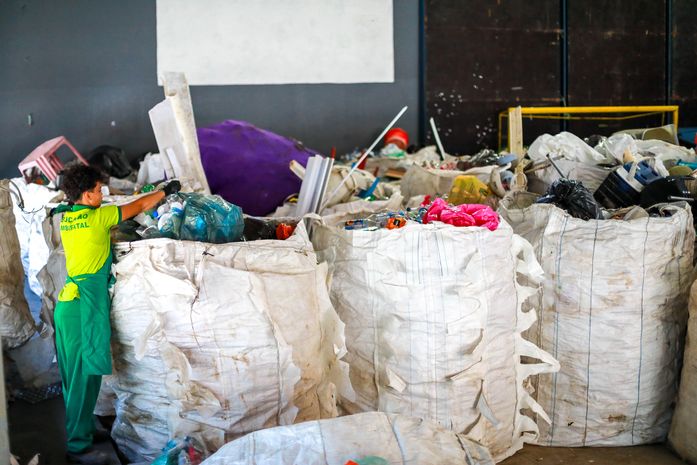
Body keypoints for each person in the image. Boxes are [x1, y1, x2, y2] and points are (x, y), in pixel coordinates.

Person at [53, 163, 180, 465]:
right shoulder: (99, 218)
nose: (102, 194)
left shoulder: (69, 217)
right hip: (81, 308)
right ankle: (77, 447)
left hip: (70, 305)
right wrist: (167, 191)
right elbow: (137, 206)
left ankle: (81, 430)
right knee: (82, 379)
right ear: (85, 195)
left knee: (83, 376)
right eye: (98, 190)